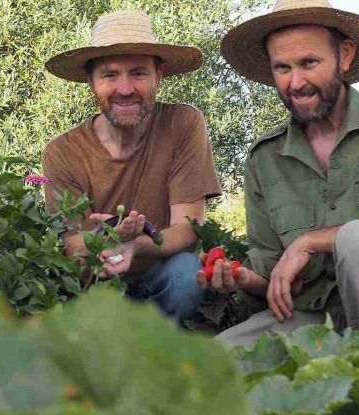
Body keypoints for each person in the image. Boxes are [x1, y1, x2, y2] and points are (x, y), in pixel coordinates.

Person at [200, 0, 359, 358]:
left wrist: (311, 241)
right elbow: (273, 266)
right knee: (215, 362)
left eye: (309, 63)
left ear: (345, 56)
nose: (296, 82)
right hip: (316, 319)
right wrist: (247, 279)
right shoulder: (264, 157)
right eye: (282, 68)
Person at [41, 9, 223, 324]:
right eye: (110, 75)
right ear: (91, 81)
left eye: (138, 73)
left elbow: (189, 231)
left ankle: (160, 355)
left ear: (159, 75)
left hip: (160, 281)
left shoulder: (183, 124)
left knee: (186, 273)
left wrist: (135, 244)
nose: (125, 89)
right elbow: (73, 248)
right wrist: (109, 241)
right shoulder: (62, 152)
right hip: (96, 287)